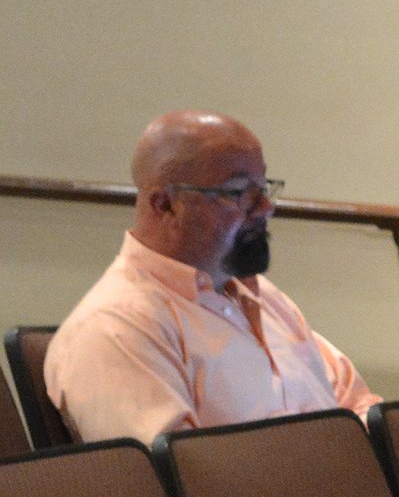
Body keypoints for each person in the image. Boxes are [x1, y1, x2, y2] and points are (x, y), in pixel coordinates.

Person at [45, 111, 375, 443]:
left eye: (263, 188)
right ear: (165, 205)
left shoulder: (260, 296)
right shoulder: (116, 327)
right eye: (238, 192)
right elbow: (180, 471)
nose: (265, 207)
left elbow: (358, 405)